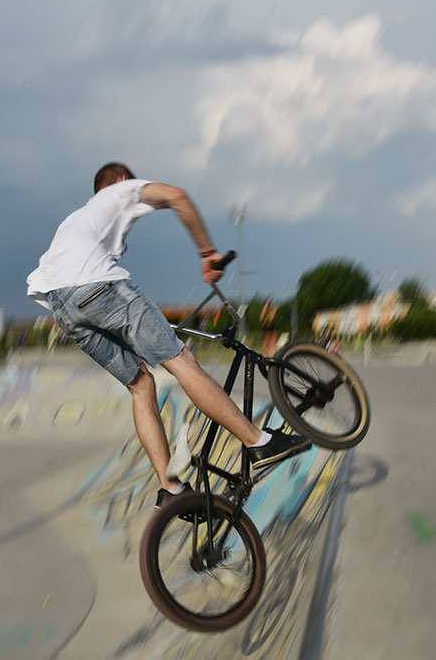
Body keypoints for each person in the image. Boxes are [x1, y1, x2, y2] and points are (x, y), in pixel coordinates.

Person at [27, 163, 311, 509]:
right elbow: (177, 197)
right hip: (97, 286)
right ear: (120, 180)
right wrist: (209, 254)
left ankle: (171, 489)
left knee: (141, 385)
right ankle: (258, 441)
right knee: (181, 360)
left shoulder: (75, 221)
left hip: (62, 308)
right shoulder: (119, 190)